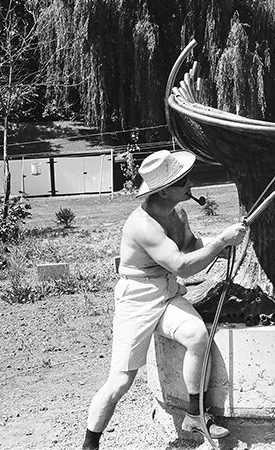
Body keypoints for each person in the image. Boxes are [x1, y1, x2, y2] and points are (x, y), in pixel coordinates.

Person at [82, 150, 247, 450]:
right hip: (137, 299)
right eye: (182, 180)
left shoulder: (177, 213)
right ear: (165, 189)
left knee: (197, 336)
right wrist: (221, 241)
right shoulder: (143, 225)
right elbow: (182, 265)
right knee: (120, 382)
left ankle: (195, 414)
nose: (189, 182)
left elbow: (191, 246)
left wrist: (217, 245)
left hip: (167, 292)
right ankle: (90, 444)